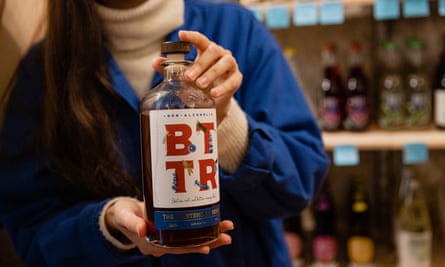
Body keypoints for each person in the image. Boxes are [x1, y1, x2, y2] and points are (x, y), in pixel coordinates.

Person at [0, 0, 330, 266]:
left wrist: (225, 121)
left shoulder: (236, 29)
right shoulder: (43, 70)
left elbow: (302, 181)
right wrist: (106, 224)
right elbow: (30, 227)